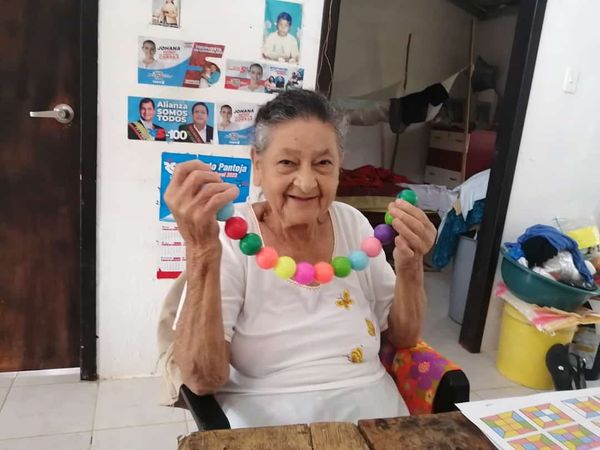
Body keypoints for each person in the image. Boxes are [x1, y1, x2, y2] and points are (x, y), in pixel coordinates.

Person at [159, 89, 436, 428]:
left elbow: (404, 337)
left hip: (377, 421)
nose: (306, 183)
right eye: (287, 163)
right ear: (258, 166)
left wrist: (410, 264)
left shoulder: (354, 224)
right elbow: (203, 380)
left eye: (323, 163)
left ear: (339, 166)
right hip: (272, 427)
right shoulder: (230, 239)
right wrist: (200, 251)